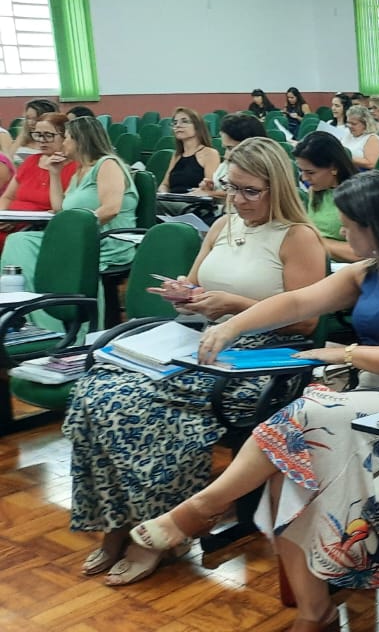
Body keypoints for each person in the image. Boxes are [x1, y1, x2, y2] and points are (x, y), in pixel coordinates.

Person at [126, 171, 379, 631]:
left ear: (378, 224)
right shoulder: (370, 270)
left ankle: (200, 509)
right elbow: (296, 303)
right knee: (286, 477)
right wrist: (232, 324)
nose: (343, 234)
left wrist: (344, 352)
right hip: (371, 391)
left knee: (307, 411)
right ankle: (315, 612)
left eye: (350, 224)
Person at [63, 138, 328, 587]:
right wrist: (187, 293)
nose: (237, 200)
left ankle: (161, 532)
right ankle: (116, 523)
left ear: (277, 188)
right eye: (232, 188)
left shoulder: (298, 236)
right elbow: (198, 281)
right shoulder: (222, 224)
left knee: (142, 403)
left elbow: (305, 323)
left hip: (263, 360)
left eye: (250, 191)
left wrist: (232, 305)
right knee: (96, 390)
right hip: (208, 343)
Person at [1, 115, 138, 292]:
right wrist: (54, 174)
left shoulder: (107, 164)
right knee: (19, 241)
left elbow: (111, 209)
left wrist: (73, 230)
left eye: (66, 138)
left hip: (104, 241)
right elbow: (60, 208)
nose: (63, 143)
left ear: (80, 140)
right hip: (77, 236)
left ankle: (34, 307)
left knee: (23, 243)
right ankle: (22, 304)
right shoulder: (80, 170)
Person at [0, 113, 79, 250]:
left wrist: (19, 221)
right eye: (37, 135)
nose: (41, 140)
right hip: (8, 222)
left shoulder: (76, 168)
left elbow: (63, 209)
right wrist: (3, 216)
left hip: (35, 227)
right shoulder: (31, 161)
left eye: (48, 135)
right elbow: (8, 196)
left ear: (64, 136)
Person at [294, 132, 361, 262]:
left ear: (334, 167)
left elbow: (361, 253)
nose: (304, 178)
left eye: (310, 172)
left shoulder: (359, 196)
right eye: (301, 171)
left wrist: (314, 242)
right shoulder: (316, 190)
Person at [199, 113, 267, 203]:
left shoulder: (261, 170)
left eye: (231, 148)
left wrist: (209, 193)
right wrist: (211, 187)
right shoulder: (225, 164)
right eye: (225, 148)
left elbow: (243, 194)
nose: (227, 155)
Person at [157, 108, 219, 196]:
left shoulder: (210, 153)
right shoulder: (177, 155)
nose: (178, 125)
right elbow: (165, 184)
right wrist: (164, 193)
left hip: (193, 203)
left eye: (184, 121)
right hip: (172, 201)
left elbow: (209, 188)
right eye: (175, 123)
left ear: (197, 127)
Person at [341, 105, 379, 170]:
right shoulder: (347, 134)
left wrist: (345, 158)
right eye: (348, 122)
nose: (349, 126)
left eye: (354, 124)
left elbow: (371, 163)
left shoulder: (372, 138)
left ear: (365, 124)